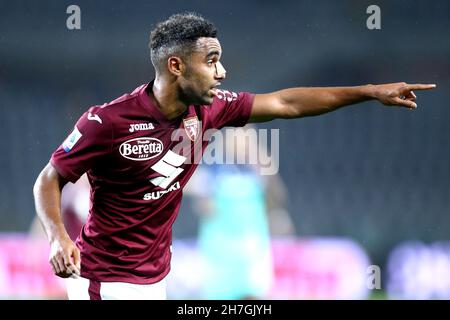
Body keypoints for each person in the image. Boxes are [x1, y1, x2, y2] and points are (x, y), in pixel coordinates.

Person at [32, 12, 436, 300]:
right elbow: (50, 177)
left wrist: (367, 92)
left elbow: (286, 103)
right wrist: (57, 238)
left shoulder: (210, 108)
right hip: (104, 280)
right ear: (175, 66)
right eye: (211, 62)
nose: (222, 72)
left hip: (154, 280)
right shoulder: (108, 121)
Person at [184, 125, 294, 300]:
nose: (240, 142)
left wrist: (261, 163)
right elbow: (201, 203)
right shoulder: (213, 169)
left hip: (252, 250)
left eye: (245, 137)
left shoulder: (260, 169)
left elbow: (277, 197)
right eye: (235, 137)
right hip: (220, 252)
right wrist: (204, 195)